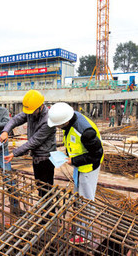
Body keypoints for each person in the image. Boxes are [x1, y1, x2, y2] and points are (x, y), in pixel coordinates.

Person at [47, 102, 103, 245]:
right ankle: (80, 227)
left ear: (64, 121)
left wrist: (75, 160)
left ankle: (85, 234)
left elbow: (97, 154)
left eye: (58, 125)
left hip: (88, 167)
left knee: (86, 201)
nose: (57, 127)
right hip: (80, 165)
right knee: (79, 198)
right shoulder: (71, 119)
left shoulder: (85, 132)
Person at [0, 90, 56, 198]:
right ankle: (43, 209)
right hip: (36, 157)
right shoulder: (31, 111)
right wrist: (5, 130)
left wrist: (14, 153)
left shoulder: (48, 120)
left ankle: (49, 213)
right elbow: (16, 119)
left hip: (46, 159)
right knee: (39, 186)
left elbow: (34, 142)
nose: (29, 114)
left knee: (46, 189)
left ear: (41, 106)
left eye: (32, 111)